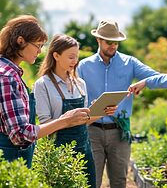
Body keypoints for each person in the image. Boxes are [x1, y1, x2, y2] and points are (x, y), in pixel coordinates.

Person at [77, 19, 167, 188]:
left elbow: (156, 78)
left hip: (119, 132)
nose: (113, 46)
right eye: (109, 42)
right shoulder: (83, 66)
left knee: (119, 181)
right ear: (98, 40)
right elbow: (75, 94)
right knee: (91, 181)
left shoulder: (130, 63)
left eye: (116, 42)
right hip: (91, 131)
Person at [0, 15, 91, 169]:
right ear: (20, 41)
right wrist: (65, 120)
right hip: (11, 159)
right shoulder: (7, 77)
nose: (40, 51)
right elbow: (20, 134)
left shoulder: (12, 73)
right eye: (38, 45)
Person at [33, 34, 117, 188]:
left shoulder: (80, 83)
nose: (75, 61)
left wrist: (101, 111)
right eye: (71, 57)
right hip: (59, 154)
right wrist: (66, 120)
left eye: (77, 57)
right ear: (56, 55)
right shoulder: (42, 85)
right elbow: (45, 125)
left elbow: (84, 121)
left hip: (84, 151)